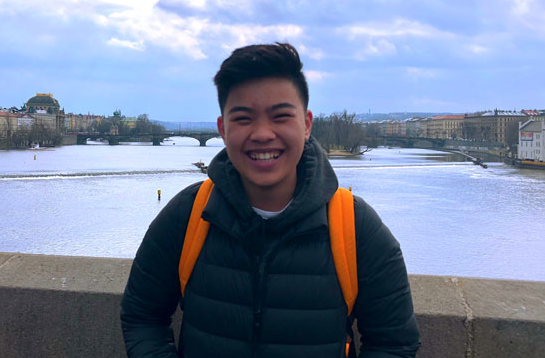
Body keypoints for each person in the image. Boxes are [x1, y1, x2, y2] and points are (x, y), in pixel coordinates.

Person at [121, 43, 420, 357]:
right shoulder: (187, 214)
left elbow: (394, 343)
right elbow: (142, 316)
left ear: (306, 125)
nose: (263, 134)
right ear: (222, 129)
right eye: (243, 119)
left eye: (280, 116)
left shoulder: (357, 227)